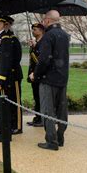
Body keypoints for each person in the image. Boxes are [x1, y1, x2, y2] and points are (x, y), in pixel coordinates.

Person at [31, 10, 70, 150]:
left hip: (48, 79)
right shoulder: (65, 35)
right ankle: (60, 137)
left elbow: (44, 61)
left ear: (47, 20)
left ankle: (51, 141)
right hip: (62, 78)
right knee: (61, 110)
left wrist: (35, 74)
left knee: (47, 111)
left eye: (43, 20)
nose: (42, 22)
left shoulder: (48, 36)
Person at [26, 23, 45, 126]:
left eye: (35, 29)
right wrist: (33, 46)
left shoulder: (43, 43)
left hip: (39, 75)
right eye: (32, 29)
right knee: (36, 97)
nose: (33, 31)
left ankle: (42, 118)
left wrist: (35, 47)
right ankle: (37, 117)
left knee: (40, 98)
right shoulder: (36, 43)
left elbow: (39, 61)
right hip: (33, 75)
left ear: (41, 31)